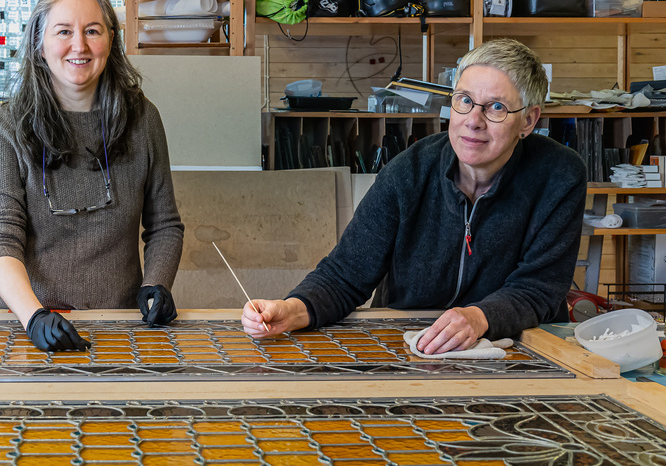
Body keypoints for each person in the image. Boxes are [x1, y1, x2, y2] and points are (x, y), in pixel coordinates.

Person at [242, 38, 586, 354]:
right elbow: (346, 274)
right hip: (407, 342)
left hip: (514, 346)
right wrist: (292, 309)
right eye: (464, 101)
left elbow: (540, 287)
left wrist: (480, 317)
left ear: (528, 120)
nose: (473, 121)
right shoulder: (408, 171)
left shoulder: (559, 175)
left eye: (495, 107)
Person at [0, 0, 184, 352]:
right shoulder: (6, 127)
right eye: (63, 31)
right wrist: (34, 316)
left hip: (118, 325)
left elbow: (165, 225)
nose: (79, 45)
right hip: (23, 325)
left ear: (110, 40)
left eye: (93, 30)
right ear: (39, 44)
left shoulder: (142, 119)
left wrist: (157, 283)